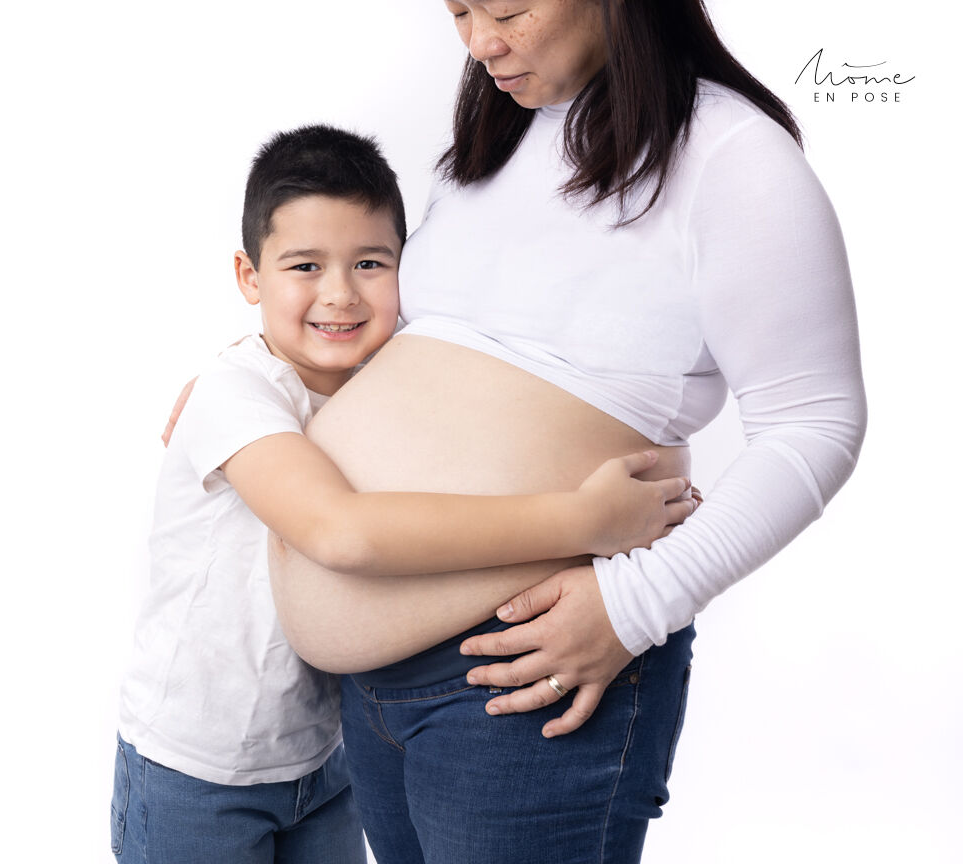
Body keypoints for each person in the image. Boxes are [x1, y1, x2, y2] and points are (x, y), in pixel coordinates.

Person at [256, 2, 868, 863]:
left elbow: (817, 423)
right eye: (459, 10)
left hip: (527, 672)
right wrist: (252, 387)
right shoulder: (493, 144)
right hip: (370, 694)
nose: (480, 44)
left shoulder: (735, 158)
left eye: (508, 10)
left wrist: (634, 604)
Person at [112, 124, 695, 864]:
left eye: (369, 263)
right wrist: (583, 521)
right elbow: (339, 531)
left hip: (323, 759)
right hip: (198, 767)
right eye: (304, 266)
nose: (339, 294)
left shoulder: (385, 372)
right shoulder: (235, 395)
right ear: (249, 277)